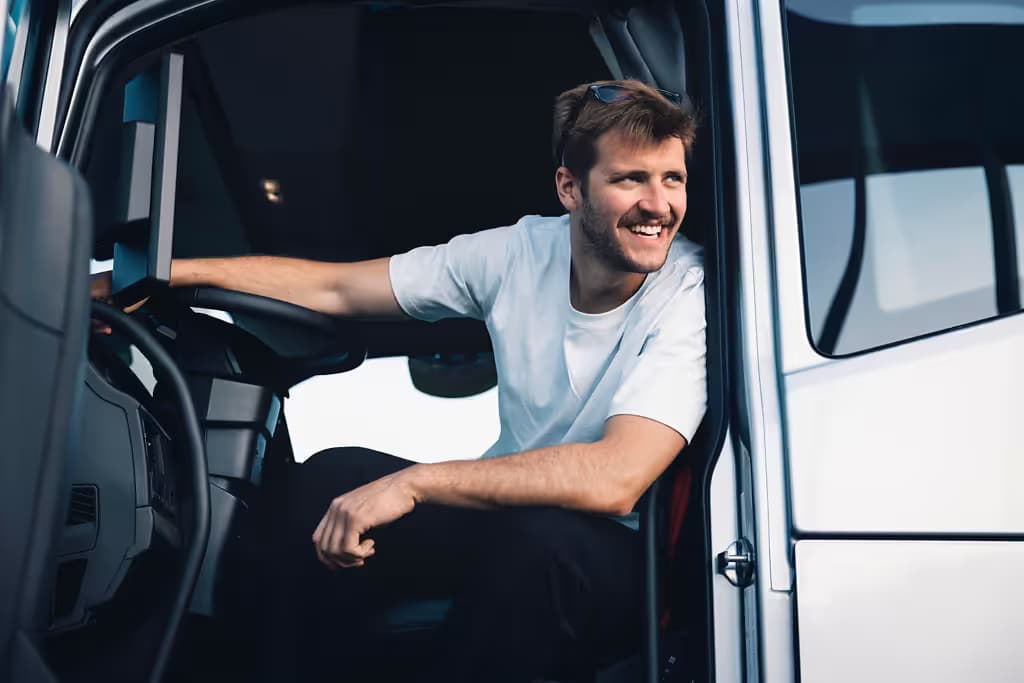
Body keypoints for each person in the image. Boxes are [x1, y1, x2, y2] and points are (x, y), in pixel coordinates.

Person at [96, 79, 707, 682]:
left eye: (672, 179)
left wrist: (417, 482)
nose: (659, 205)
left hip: (622, 557)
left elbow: (617, 478)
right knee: (332, 479)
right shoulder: (519, 253)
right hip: (514, 528)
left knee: (538, 546)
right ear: (570, 189)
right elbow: (336, 288)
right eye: (631, 180)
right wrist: (157, 278)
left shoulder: (688, 291)